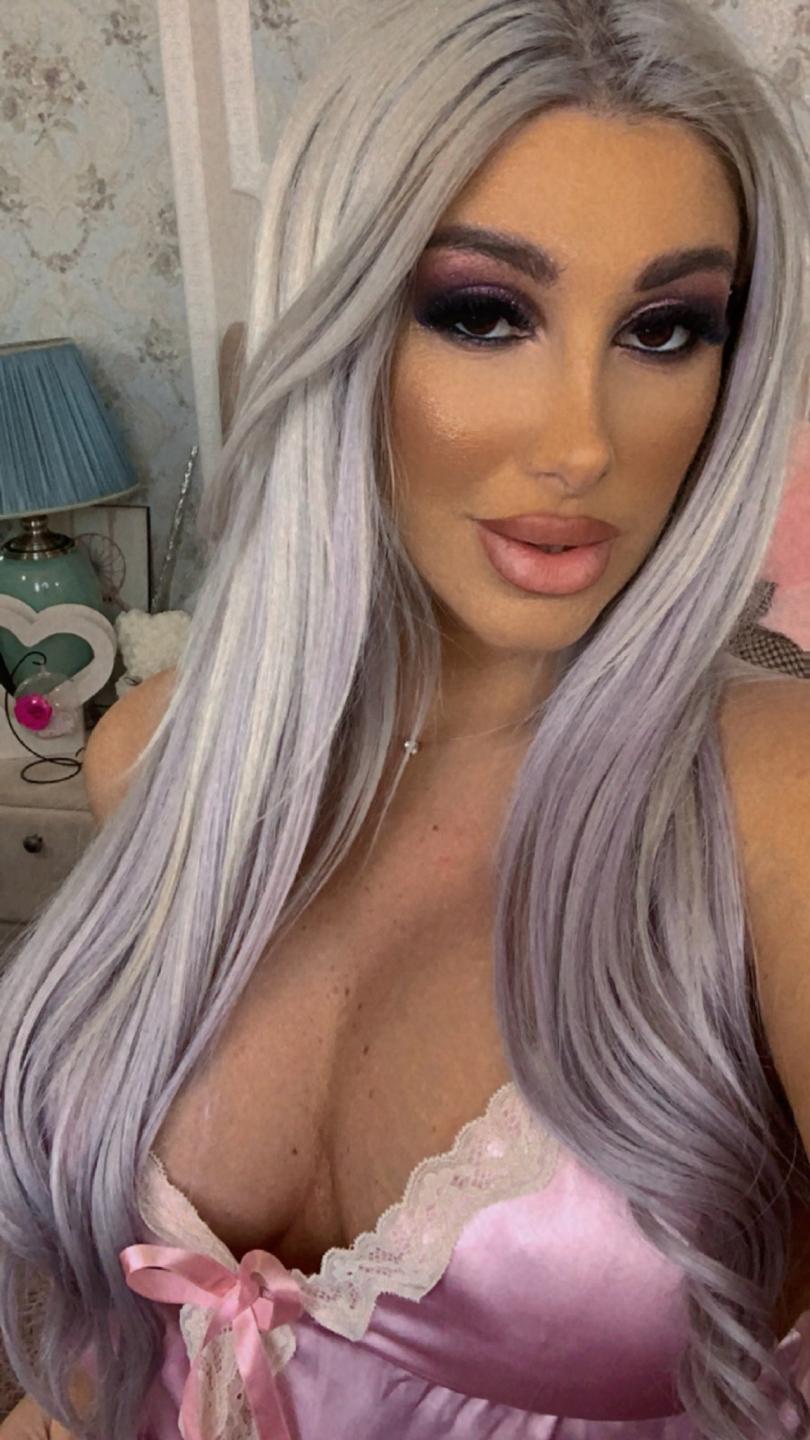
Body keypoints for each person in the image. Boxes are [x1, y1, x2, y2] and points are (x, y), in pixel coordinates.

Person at [1, 0, 810, 1436]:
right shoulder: (158, 757)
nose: (581, 442)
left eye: (665, 329)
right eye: (483, 314)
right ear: (338, 331)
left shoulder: (765, 808)